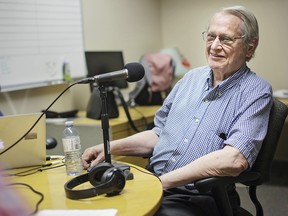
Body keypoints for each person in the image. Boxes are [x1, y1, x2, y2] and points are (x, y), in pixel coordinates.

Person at [82, 5, 273, 216]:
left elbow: (234, 159)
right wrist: (108, 147)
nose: (214, 46)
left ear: (250, 47)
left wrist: (160, 183)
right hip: (155, 182)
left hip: (197, 196)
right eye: (211, 37)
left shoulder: (256, 91)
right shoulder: (191, 79)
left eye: (226, 39)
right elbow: (158, 134)